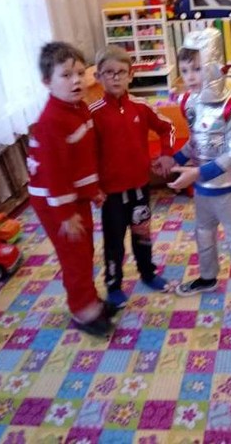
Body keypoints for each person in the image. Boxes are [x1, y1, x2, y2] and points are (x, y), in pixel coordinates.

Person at [168, 28, 231, 324]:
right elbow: (196, 142)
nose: (190, 77)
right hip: (203, 190)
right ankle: (208, 277)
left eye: (197, 68)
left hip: (227, 189)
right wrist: (174, 160)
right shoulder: (190, 103)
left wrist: (197, 172)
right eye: (184, 70)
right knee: (203, 234)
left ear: (212, 67)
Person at [27, 42, 113, 337]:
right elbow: (55, 174)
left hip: (73, 195)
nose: (76, 80)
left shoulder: (79, 107)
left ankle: (90, 299)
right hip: (54, 202)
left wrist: (93, 189)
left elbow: (83, 159)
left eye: (79, 72)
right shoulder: (51, 121)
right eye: (66, 75)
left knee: (85, 249)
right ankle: (82, 309)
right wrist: (65, 214)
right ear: (47, 82)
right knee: (74, 256)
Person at [90, 45, 175, 310]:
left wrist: (167, 154)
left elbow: (168, 127)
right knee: (114, 243)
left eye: (121, 72)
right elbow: (85, 155)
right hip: (110, 195)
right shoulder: (92, 113)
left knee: (142, 234)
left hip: (140, 189)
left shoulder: (141, 106)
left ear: (131, 75)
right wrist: (93, 188)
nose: (116, 77)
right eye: (109, 72)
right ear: (98, 77)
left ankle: (148, 273)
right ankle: (113, 285)